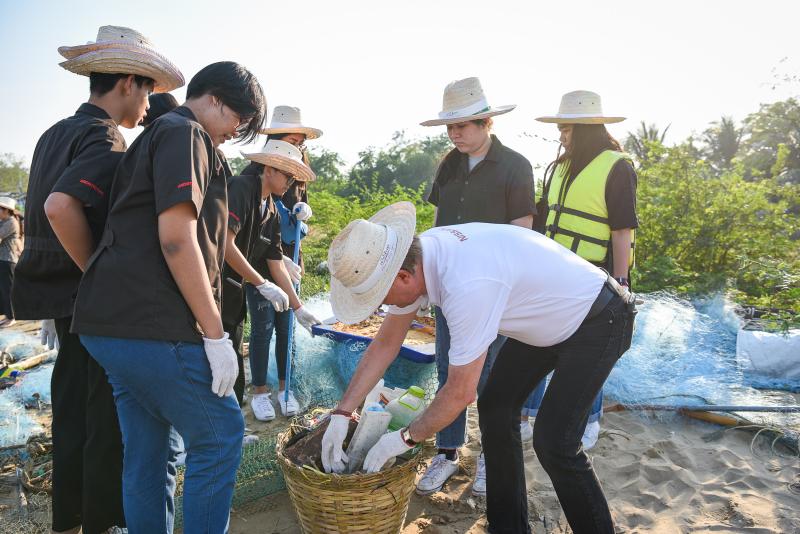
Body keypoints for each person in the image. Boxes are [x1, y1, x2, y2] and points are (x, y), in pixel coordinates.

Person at [322, 202, 636, 534]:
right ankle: (508, 528)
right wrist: (342, 412)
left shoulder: (465, 285)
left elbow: (460, 392)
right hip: (546, 319)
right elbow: (386, 343)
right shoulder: (417, 258)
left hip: (598, 319)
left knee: (554, 442)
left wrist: (405, 438)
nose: (384, 307)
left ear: (403, 277)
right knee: (496, 408)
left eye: (382, 298)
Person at [71, 61, 265, 534]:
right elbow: (177, 238)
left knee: (150, 451)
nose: (234, 133)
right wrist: (215, 335)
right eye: (237, 120)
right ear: (215, 99)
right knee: (220, 434)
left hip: (108, 325)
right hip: (152, 325)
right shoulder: (186, 133)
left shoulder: (159, 134)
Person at [11, 26, 183, 534]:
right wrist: (95, 272)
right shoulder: (104, 136)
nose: (147, 105)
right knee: (104, 417)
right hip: (86, 298)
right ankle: (103, 522)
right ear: (129, 82)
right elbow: (59, 207)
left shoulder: (53, 132)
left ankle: (69, 518)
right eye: (147, 90)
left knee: (70, 411)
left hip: (53, 294)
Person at [417, 76, 538, 496]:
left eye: (462, 126)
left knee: (492, 375)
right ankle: (448, 452)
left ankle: (492, 456)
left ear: (487, 122)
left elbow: (523, 231)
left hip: (494, 289)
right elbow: (438, 224)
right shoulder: (448, 164)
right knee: (447, 368)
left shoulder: (516, 166)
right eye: (450, 127)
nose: (454, 134)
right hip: (448, 284)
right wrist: (427, 276)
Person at [525, 90, 639, 449]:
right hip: (553, 272)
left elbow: (622, 229)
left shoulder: (618, 167)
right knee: (539, 341)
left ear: (586, 129)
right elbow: (543, 218)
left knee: (587, 351)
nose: (561, 136)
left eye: (566, 129)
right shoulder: (558, 167)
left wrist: (621, 283)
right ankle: (529, 413)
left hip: (596, 276)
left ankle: (590, 420)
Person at [221, 138, 320, 408]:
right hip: (214, 286)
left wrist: (298, 308)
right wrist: (262, 283)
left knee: (233, 352)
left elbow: (276, 262)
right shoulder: (241, 188)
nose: (290, 182)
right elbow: (225, 244)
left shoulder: (273, 210)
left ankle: (233, 414)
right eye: (287, 175)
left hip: (235, 291)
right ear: (269, 169)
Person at [246, 105, 323, 419]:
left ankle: (285, 388)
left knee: (287, 329)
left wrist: (302, 219)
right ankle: (260, 392)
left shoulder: (298, 170)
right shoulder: (252, 176)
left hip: (290, 258)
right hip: (261, 264)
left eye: (301, 143)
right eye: (293, 140)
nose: (298, 147)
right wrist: (275, 255)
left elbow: (299, 213)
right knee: (262, 328)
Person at [0, 197, 22, 327]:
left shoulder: (11, 222)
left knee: (8, 289)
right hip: (3, 260)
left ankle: (12, 316)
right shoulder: (4, 222)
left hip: (8, 260)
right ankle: (7, 315)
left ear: (6, 210)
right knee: (3, 289)